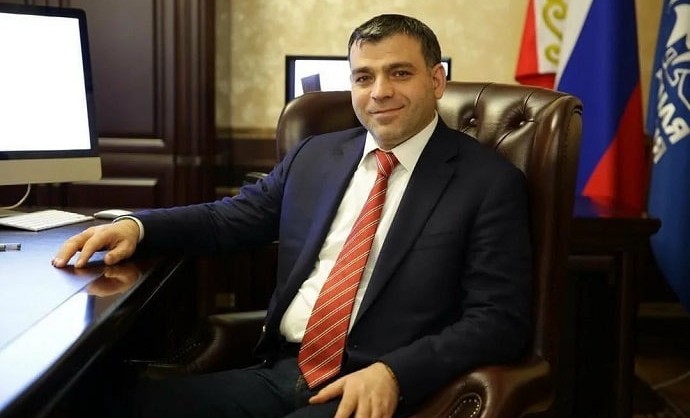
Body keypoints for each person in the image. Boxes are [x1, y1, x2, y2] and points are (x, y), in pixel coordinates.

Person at [53, 13, 532, 418]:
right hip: (281, 371)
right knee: (104, 405)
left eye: (400, 73)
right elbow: (229, 219)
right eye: (363, 77)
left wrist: (395, 373)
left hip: (380, 391)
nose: (379, 92)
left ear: (436, 80)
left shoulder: (489, 183)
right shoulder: (315, 156)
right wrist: (137, 227)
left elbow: (498, 321)